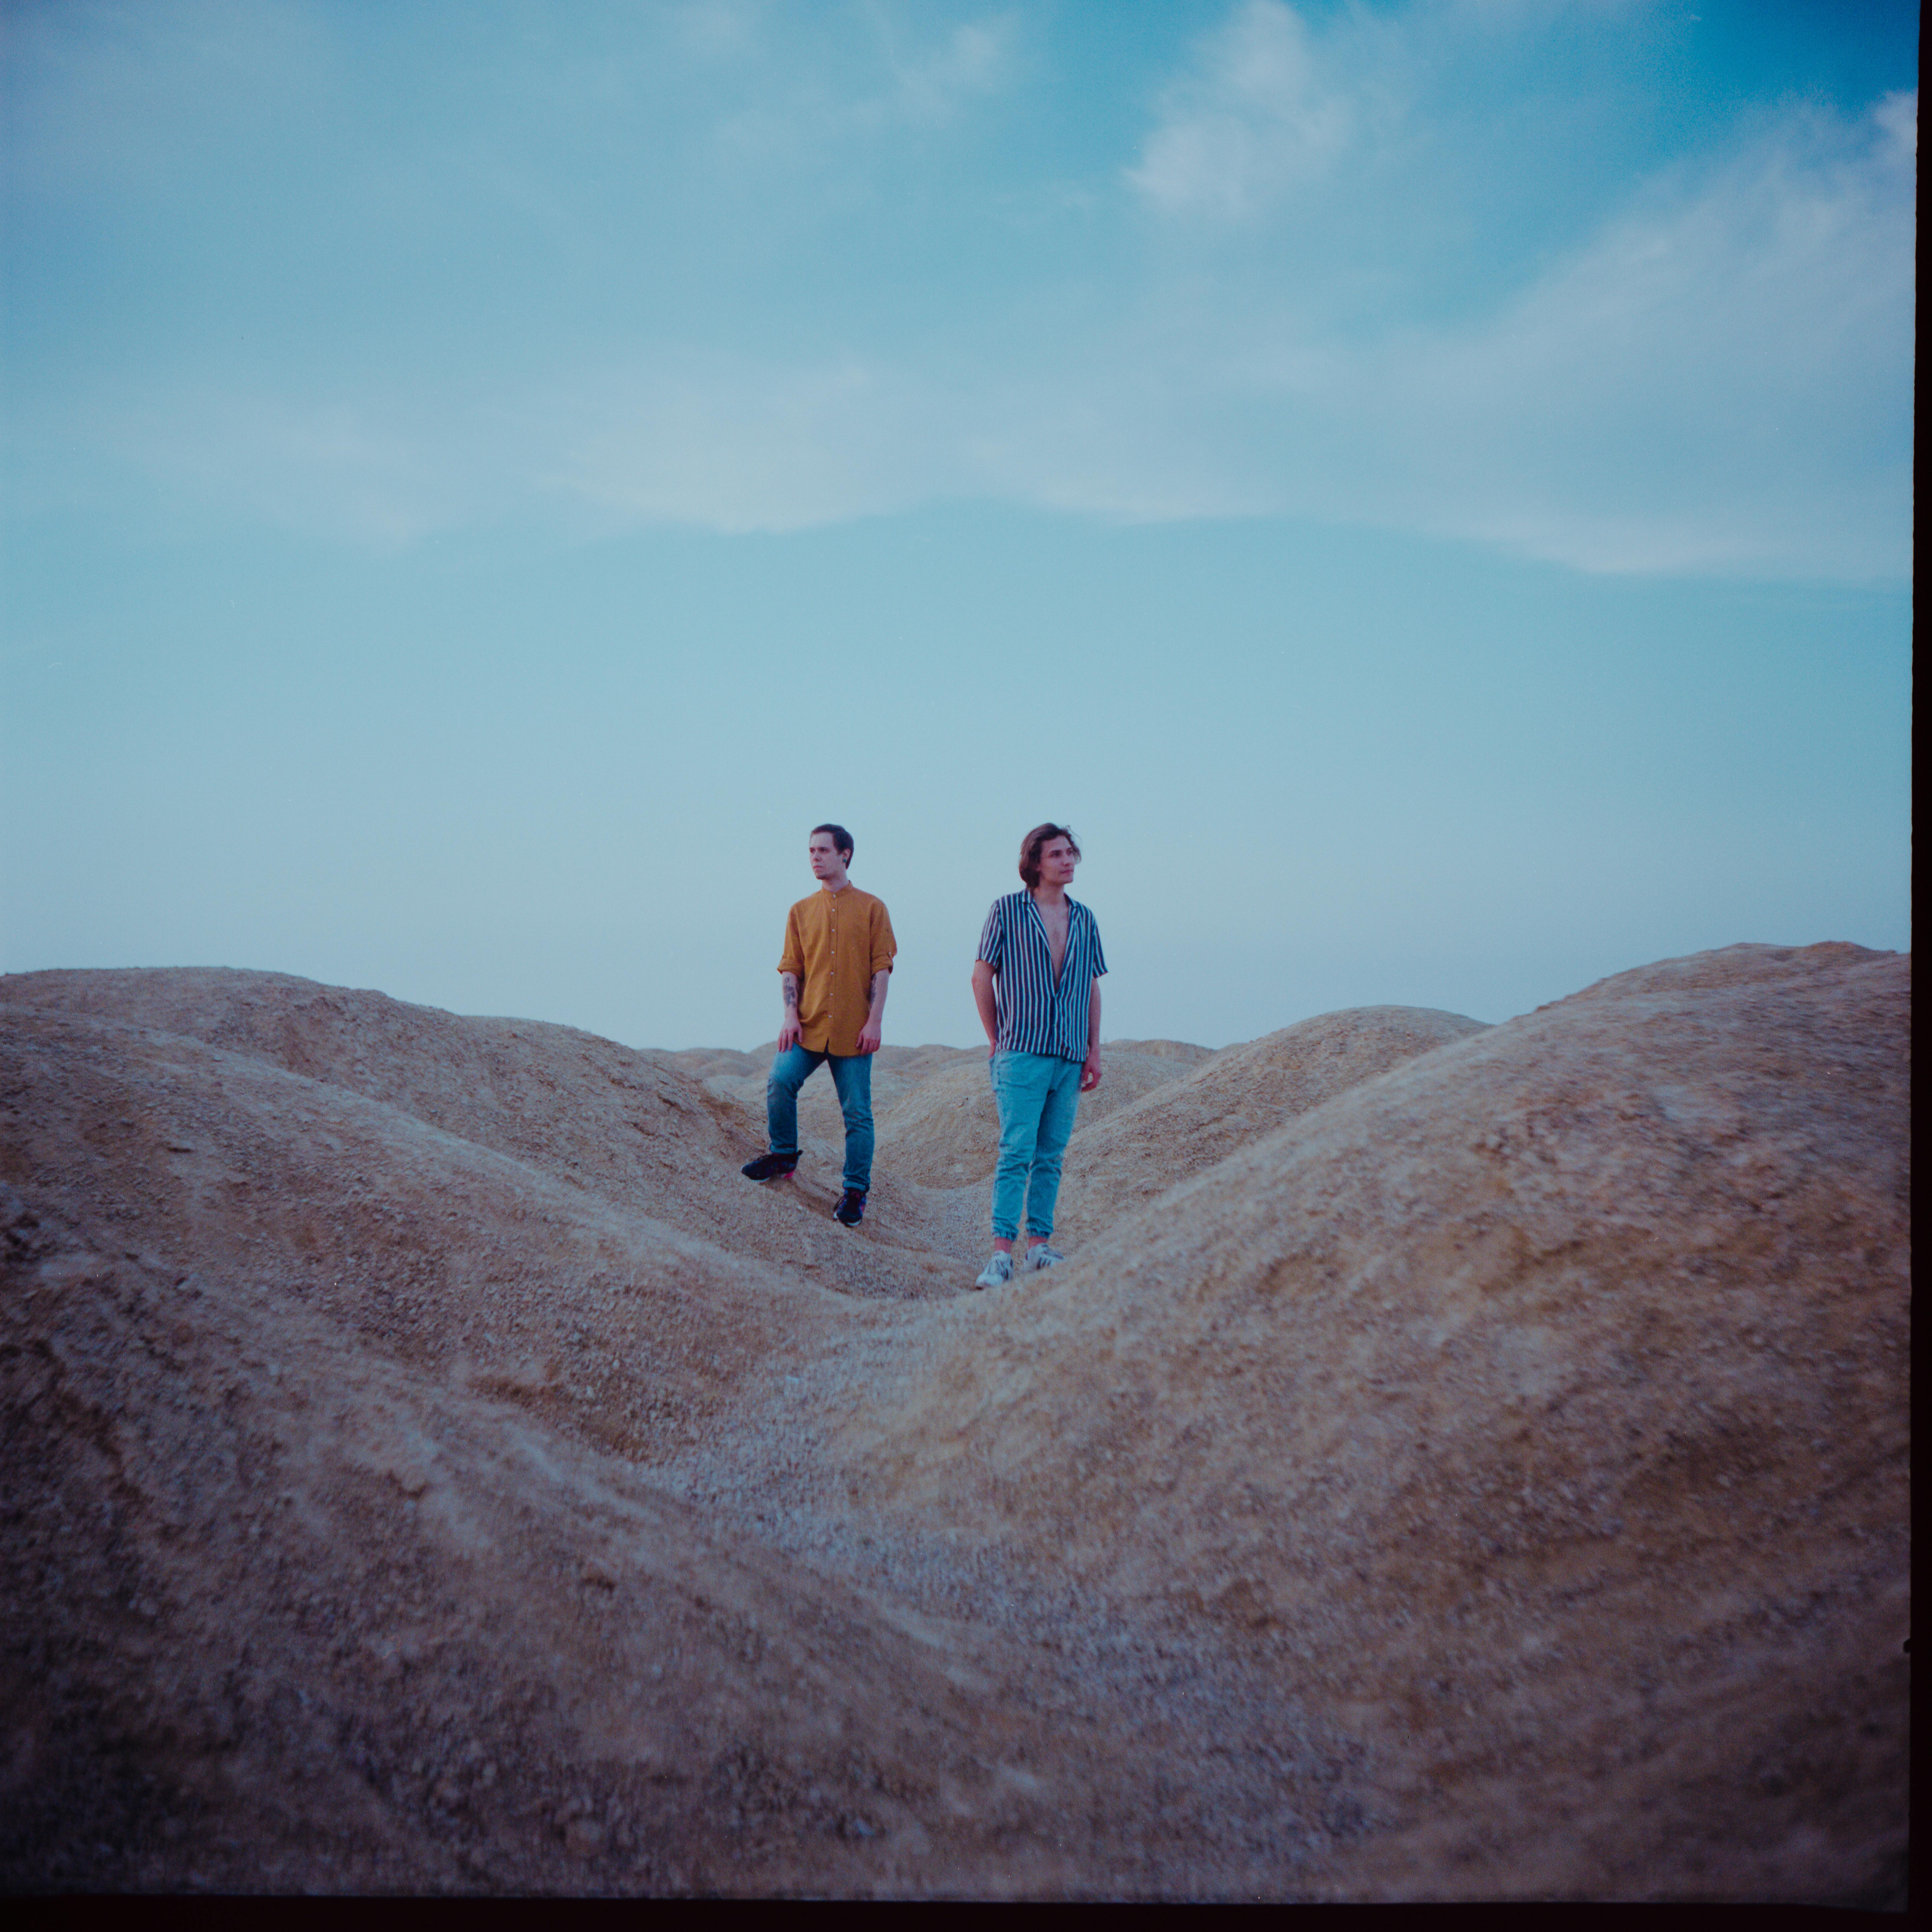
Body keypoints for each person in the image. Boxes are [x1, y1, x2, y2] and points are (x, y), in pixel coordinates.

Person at [969, 823, 1106, 1288]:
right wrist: (996, 1038)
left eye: (1071, 853)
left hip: (1068, 1055)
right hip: (1021, 1051)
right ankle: (1001, 1255)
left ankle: (1039, 1248)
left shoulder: (1085, 918)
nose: (1068, 861)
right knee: (1015, 1153)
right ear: (1035, 862)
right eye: (1057, 854)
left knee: (1051, 1156)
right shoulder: (1007, 911)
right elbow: (981, 977)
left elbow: (1090, 987)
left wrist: (1093, 1050)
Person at [740, 823, 897, 1227]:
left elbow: (882, 969)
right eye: (811, 851)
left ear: (845, 854)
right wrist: (790, 1016)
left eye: (823, 850)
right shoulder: (800, 911)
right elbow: (791, 968)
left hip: (854, 1030)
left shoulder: (872, 908)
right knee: (780, 1081)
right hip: (808, 1025)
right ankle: (784, 1155)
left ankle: (855, 1191)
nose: (815, 857)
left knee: (858, 1113)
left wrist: (875, 1022)